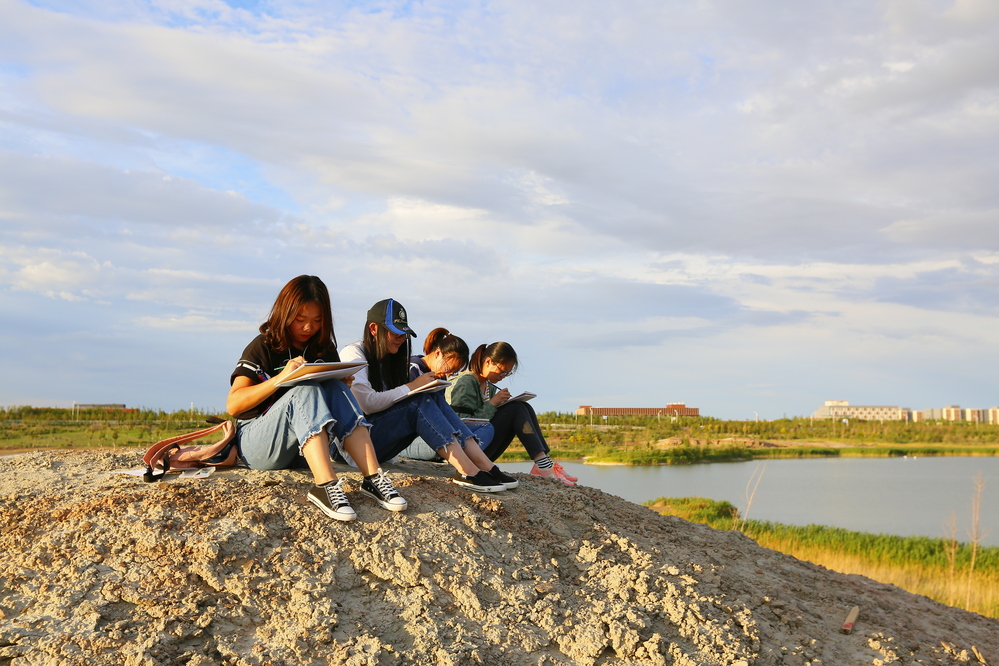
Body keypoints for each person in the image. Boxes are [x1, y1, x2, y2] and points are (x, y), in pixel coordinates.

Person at [227, 276, 407, 522]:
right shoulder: (264, 345)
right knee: (305, 389)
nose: (308, 328)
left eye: (317, 321)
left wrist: (340, 382)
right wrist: (280, 379)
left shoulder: (322, 348)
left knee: (334, 385)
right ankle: (324, 484)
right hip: (257, 443)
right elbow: (234, 404)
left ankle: (373, 477)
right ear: (284, 313)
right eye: (300, 320)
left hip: (297, 450)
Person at [339, 299, 517, 492]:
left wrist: (423, 387)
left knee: (432, 396)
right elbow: (367, 404)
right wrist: (412, 386)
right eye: (395, 332)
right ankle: (467, 470)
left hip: (382, 443)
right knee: (418, 399)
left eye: (403, 333)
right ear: (374, 329)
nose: (400, 338)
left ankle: (484, 465)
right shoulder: (354, 353)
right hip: (353, 447)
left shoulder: (393, 358)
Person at [446, 341, 578, 486]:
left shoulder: (489, 386)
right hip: (464, 452)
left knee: (523, 406)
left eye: (507, 373)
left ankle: (545, 462)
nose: (503, 376)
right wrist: (493, 404)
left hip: (481, 449)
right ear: (488, 361)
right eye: (502, 371)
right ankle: (543, 466)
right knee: (515, 408)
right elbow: (460, 423)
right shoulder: (466, 381)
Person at [398, 327, 494, 461]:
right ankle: (466, 460)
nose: (448, 375)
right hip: (409, 439)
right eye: (449, 368)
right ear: (438, 353)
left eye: (454, 372)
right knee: (445, 442)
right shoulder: (412, 369)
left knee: (486, 428)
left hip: (435, 433)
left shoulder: (440, 377)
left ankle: (468, 460)